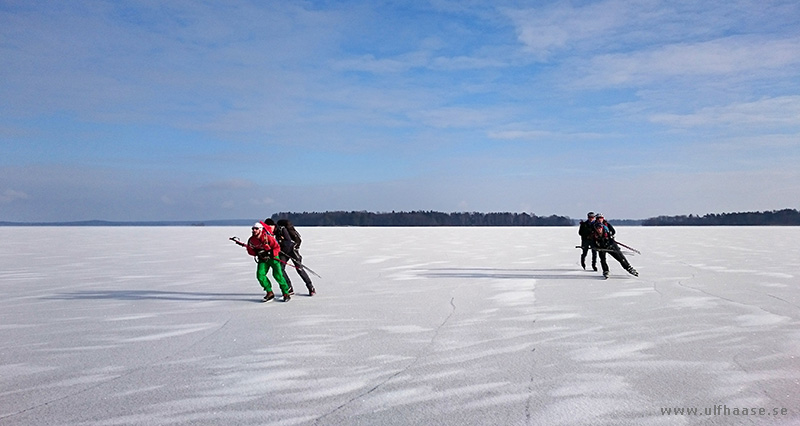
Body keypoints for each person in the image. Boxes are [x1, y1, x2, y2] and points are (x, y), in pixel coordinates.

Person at [240, 222, 292, 302]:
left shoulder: (268, 238)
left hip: (273, 259)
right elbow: (250, 251)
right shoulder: (251, 240)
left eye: (256, 229)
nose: (254, 230)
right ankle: (269, 292)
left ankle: (285, 293)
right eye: (253, 229)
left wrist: (271, 253)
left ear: (260, 230)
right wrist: (257, 252)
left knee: (277, 276)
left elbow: (277, 247)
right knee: (260, 275)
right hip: (263, 260)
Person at [266, 218, 316, 296]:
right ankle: (289, 288)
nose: (268, 229)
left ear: (273, 225)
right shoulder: (273, 233)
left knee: (299, 269)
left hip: (292, 251)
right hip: (283, 253)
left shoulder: (282, 229)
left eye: (269, 227)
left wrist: (280, 246)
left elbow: (288, 242)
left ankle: (310, 287)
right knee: (281, 269)